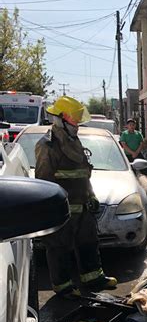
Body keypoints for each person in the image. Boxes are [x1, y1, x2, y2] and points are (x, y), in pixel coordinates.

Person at [35, 96, 117, 298]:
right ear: (61, 118)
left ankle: (93, 279)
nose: (78, 125)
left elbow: (83, 173)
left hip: (83, 206)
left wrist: (91, 194)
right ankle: (63, 287)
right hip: (63, 210)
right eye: (74, 120)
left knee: (89, 241)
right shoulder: (48, 146)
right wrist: (53, 209)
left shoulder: (73, 140)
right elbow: (44, 182)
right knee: (59, 247)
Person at [120, 118, 147, 184]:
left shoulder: (138, 134)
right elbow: (124, 145)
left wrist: (136, 152)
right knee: (130, 169)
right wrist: (132, 153)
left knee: (144, 167)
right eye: (130, 125)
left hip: (138, 153)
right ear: (127, 126)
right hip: (128, 154)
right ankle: (132, 182)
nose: (132, 126)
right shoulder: (124, 134)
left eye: (133, 125)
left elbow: (141, 143)